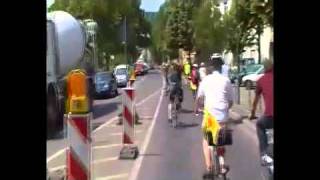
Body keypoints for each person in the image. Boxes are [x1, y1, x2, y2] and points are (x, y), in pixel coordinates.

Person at [194, 55, 234, 175]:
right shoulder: (226, 80)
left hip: (210, 116)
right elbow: (231, 101)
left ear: (211, 67)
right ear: (221, 67)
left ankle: (209, 167)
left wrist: (196, 108)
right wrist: (226, 108)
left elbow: (199, 98)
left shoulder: (206, 80)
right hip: (222, 116)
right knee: (221, 139)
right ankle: (222, 165)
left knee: (206, 140)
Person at [249, 59, 273, 166]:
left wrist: (252, 113)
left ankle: (264, 154)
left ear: (264, 69)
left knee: (259, 124)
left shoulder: (261, 80)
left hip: (270, 117)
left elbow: (255, 100)